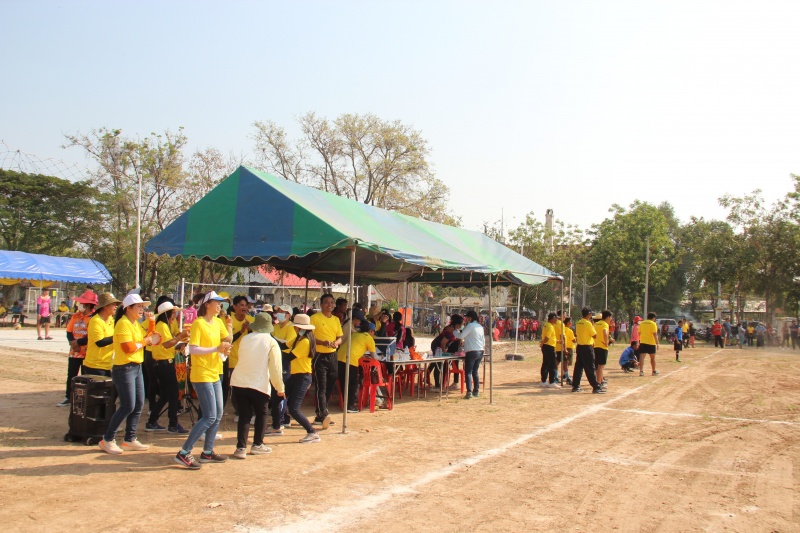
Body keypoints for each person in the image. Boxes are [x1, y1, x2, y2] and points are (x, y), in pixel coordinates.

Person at [174, 291, 232, 469]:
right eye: (217, 302)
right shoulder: (199, 323)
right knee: (210, 416)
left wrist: (226, 339)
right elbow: (194, 349)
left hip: (215, 371)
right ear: (207, 304)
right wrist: (216, 349)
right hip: (202, 373)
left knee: (217, 414)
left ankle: (207, 451)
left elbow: (226, 339)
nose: (220, 305)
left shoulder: (218, 322)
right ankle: (184, 452)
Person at [98, 293, 157, 455]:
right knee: (127, 405)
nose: (141, 309)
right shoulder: (123, 323)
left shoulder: (134, 323)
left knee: (138, 404)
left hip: (136, 367)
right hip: (124, 368)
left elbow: (149, 339)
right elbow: (128, 348)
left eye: (142, 306)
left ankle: (129, 439)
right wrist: (144, 342)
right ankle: (107, 439)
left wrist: (152, 323)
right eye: (138, 306)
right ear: (128, 308)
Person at [231, 312, 285, 459]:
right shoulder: (271, 342)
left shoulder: (245, 339)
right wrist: (280, 388)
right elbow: (275, 368)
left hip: (239, 381)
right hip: (258, 383)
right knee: (261, 413)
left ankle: (241, 448)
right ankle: (257, 444)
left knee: (244, 416)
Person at [145, 300, 190, 434]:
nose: (175, 316)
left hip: (163, 362)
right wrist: (180, 337)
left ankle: (152, 421)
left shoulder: (164, 326)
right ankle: (173, 424)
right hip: (164, 364)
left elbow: (166, 345)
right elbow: (166, 344)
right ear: (167, 314)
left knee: (165, 395)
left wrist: (179, 344)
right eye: (173, 313)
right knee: (173, 394)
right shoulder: (162, 326)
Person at [57, 290, 98, 407]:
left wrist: (78, 342)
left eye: (82, 303)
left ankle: (85, 399)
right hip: (74, 352)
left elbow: (92, 335)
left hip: (87, 353)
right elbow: (69, 331)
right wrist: (72, 343)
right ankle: (68, 397)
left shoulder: (94, 318)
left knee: (86, 376)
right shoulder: (76, 316)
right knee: (71, 374)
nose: (79, 305)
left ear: (88, 305)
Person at [285, 314, 321, 443]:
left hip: (303, 377)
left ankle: (312, 432)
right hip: (296, 375)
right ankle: (279, 423)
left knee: (294, 409)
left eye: (295, 327)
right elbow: (285, 346)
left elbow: (289, 357)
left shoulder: (305, 341)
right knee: (281, 398)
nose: (294, 328)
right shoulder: (298, 339)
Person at [310, 294, 342, 429]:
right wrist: (323, 342)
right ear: (321, 304)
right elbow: (310, 337)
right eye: (326, 302)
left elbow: (340, 337)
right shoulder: (315, 318)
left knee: (330, 385)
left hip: (332, 355)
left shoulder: (336, 319)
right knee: (321, 386)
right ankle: (323, 414)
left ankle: (321, 413)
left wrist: (336, 343)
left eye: (331, 302)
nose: (330, 305)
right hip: (320, 356)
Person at [267, 304, 297, 435]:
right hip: (275, 359)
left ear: (289, 315)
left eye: (283, 311)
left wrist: (272, 339)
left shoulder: (291, 328)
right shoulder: (275, 327)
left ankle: (282, 419)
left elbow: (286, 345)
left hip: (285, 360)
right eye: (278, 311)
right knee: (276, 388)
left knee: (281, 389)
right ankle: (281, 417)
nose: (279, 313)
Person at [338, 315, 376, 411]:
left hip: (339, 357)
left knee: (343, 382)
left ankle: (346, 404)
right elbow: (374, 357)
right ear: (371, 331)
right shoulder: (369, 338)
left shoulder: (355, 334)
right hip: (350, 360)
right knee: (352, 383)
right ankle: (350, 406)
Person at [226, 295, 255, 418]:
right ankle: (239, 411)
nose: (244, 307)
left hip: (248, 359)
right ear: (235, 307)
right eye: (241, 305)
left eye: (245, 305)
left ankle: (249, 412)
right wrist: (241, 331)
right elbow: (228, 341)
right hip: (233, 359)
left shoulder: (251, 320)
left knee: (248, 386)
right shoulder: (229, 320)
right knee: (235, 387)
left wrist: (250, 330)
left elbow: (255, 339)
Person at [82, 293, 121, 377]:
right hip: (94, 366)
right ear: (105, 306)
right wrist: (118, 337)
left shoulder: (111, 320)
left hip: (108, 365)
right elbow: (100, 342)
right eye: (113, 304)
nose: (116, 307)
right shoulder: (96, 320)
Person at [571, 308, 604, 394]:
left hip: (580, 346)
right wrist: (592, 325)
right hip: (587, 347)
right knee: (590, 367)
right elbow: (594, 335)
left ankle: (575, 386)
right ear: (588, 314)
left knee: (578, 367)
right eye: (591, 314)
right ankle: (595, 386)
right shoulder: (588, 323)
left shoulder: (578, 323)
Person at [428, 314, 463, 388]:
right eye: (460, 324)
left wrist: (459, 339)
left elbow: (453, 338)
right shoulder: (449, 331)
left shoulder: (453, 329)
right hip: (437, 346)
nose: (461, 326)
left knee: (435, 363)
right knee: (438, 364)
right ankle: (437, 385)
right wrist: (444, 354)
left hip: (440, 346)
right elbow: (443, 343)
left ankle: (426, 378)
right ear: (457, 324)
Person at [460, 310, 485, 399]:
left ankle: (469, 392)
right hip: (480, 350)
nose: (466, 319)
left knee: (468, 372)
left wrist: (454, 331)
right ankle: (476, 391)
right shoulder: (479, 326)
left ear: (470, 318)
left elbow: (461, 336)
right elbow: (483, 340)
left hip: (472, 351)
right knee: (475, 371)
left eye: (467, 317)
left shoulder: (470, 325)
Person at [539, 313, 558, 388]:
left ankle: (543, 381)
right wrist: (543, 342)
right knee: (552, 364)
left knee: (545, 364)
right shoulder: (550, 326)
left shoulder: (546, 325)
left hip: (546, 346)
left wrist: (557, 341)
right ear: (553, 318)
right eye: (556, 318)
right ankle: (552, 381)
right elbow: (547, 337)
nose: (557, 320)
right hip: (549, 347)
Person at [594, 311, 613, 386]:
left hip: (595, 346)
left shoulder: (595, 324)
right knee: (601, 366)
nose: (611, 319)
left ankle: (600, 381)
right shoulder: (605, 324)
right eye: (610, 317)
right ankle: (598, 383)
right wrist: (606, 342)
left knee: (597, 366)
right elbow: (605, 332)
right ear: (608, 317)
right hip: (602, 347)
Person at [559, 316, 576, 386]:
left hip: (562, 347)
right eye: (571, 322)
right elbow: (573, 340)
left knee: (564, 362)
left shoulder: (562, 329)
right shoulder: (569, 331)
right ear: (568, 323)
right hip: (569, 347)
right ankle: (565, 375)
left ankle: (564, 374)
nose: (571, 323)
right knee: (567, 362)